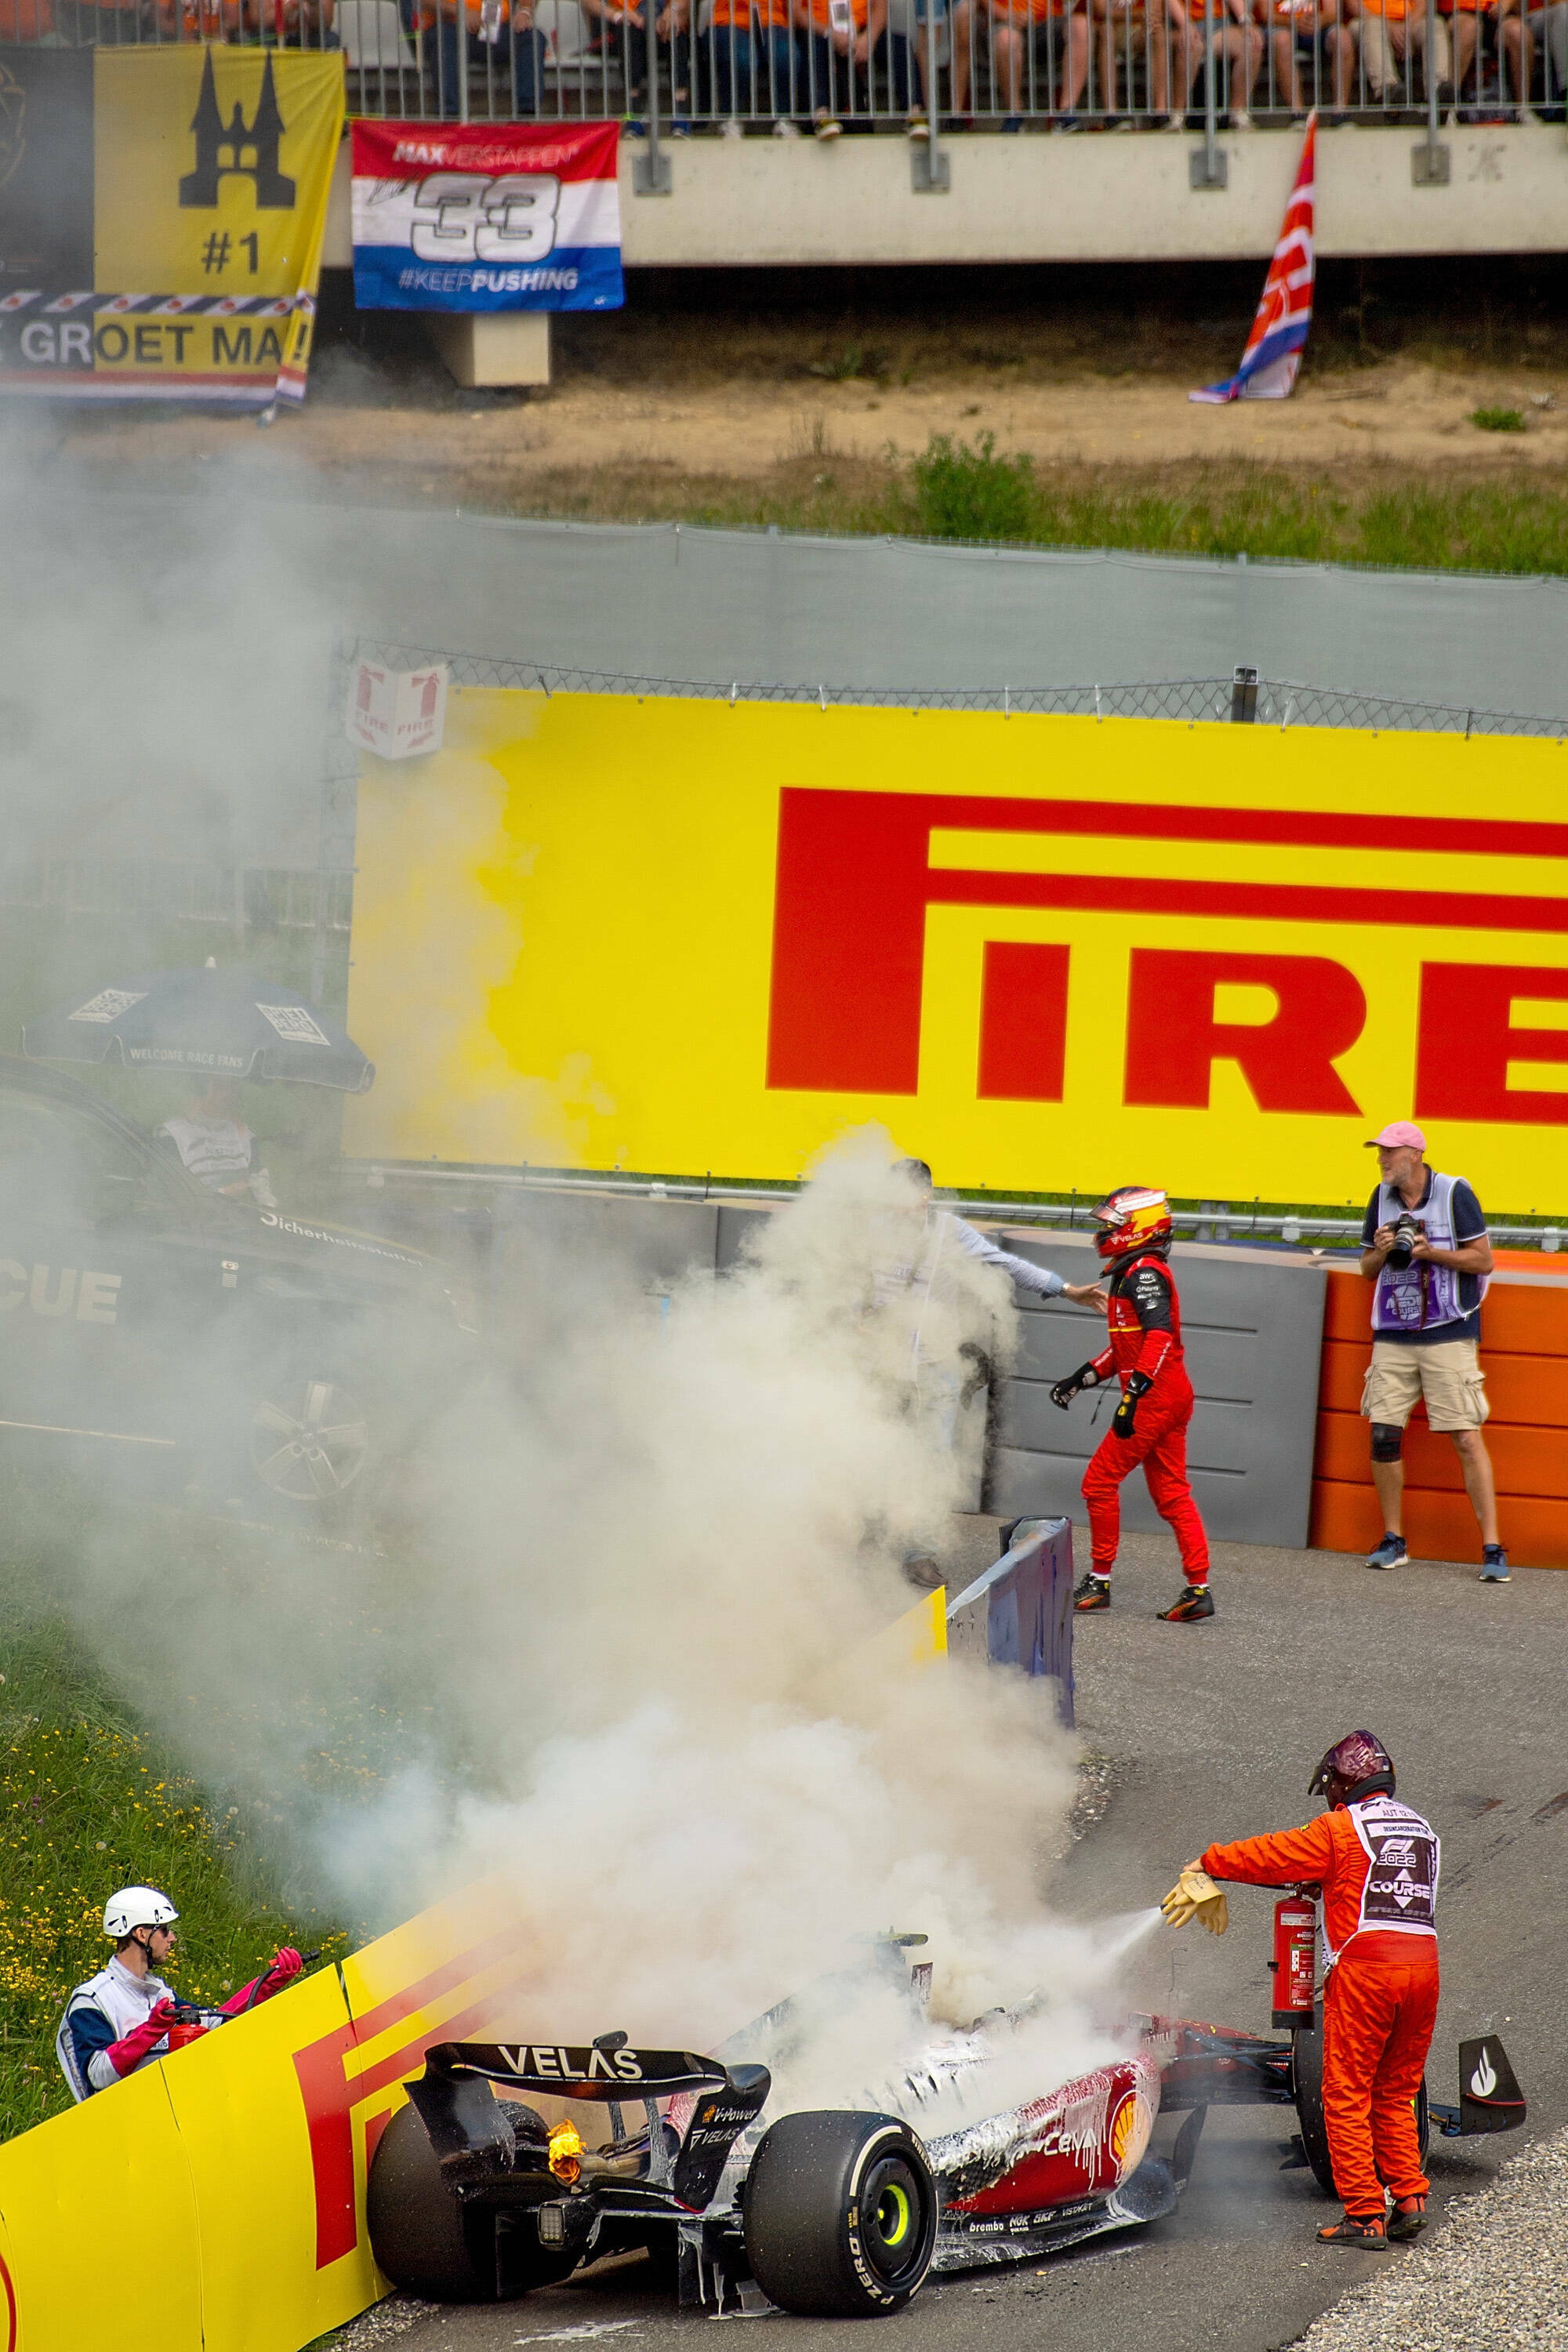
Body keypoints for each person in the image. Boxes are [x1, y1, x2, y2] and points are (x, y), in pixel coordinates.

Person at [1171, 1732, 1439, 2250]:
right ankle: (1409, 2199)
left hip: (1367, 1972)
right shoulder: (1423, 1829)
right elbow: (1379, 1886)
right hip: (1424, 1969)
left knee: (1344, 2092)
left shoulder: (1341, 1829)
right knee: (1395, 2088)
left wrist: (1209, 1862)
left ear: (1343, 1783)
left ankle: (1364, 2215)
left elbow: (1273, 1855)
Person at [878, 1159, 1105, 1584]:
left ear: (925, 1194)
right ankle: (867, 1537)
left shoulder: (949, 1232)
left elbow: (1004, 1263)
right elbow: (845, 1280)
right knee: (871, 1451)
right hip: (880, 1367)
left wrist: (1066, 1290)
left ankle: (918, 1552)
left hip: (935, 1370)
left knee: (932, 1464)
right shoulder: (870, 1231)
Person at [1050, 1185, 1213, 1622]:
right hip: (1169, 1393)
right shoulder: (1135, 1270)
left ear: (1136, 1229)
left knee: (1098, 1483)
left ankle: (1099, 1582)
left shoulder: (1143, 1272)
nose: (1101, 1233)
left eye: (1110, 1225)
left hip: (1156, 1398)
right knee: (1173, 1494)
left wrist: (1133, 1397)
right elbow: (1127, 1348)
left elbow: (1158, 1338)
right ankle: (1199, 1589)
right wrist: (1081, 1378)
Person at [1357, 1120, 1505, 1583]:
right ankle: (1393, 1539)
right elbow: (1366, 1269)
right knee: (1383, 1435)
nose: (1381, 1159)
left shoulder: (1454, 1192)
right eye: (1379, 1152)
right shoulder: (1378, 1199)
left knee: (1464, 1435)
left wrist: (1427, 1252)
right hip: (1394, 1334)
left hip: (1448, 1330)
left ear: (1416, 1155)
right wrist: (1384, 1251)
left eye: (1389, 1152)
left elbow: (1483, 1261)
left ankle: (1493, 1547)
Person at [56, 1886, 303, 2103]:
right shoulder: (91, 1999)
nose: (172, 1938)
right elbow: (98, 2076)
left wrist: (272, 1980)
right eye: (164, 1930)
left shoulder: (160, 1993)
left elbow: (217, 2022)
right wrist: (151, 2030)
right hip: (125, 2132)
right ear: (142, 1934)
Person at [949, 0, 1091, 121]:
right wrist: (1007, 15)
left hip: (1049, 22)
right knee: (1006, 39)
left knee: (1081, 25)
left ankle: (1066, 113)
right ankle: (1014, 114)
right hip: (1005, 22)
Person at [158, 1079, 277, 1209]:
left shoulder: (244, 1136)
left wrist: (269, 1208)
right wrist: (223, 1193)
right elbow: (170, 1191)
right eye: (218, 1087)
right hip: (193, 1218)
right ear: (201, 1092)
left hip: (243, 1218)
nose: (226, 1095)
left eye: (231, 1088)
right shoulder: (174, 1135)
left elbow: (260, 1186)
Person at [1256, 0, 1356, 107]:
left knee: (1342, 38)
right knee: (1282, 41)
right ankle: (1297, 113)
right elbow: (1266, 14)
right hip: (1281, 25)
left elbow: (1333, 12)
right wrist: (1293, 21)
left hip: (1318, 26)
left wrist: (1320, 20)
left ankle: (1341, 110)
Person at [1349, 0, 1453, 100]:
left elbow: (1423, 5)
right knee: (1373, 25)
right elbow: (1354, 6)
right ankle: (1387, 89)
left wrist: (1405, 27)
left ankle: (1438, 90)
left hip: (1408, 23)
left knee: (1435, 24)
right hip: (1366, 21)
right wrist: (1391, 27)